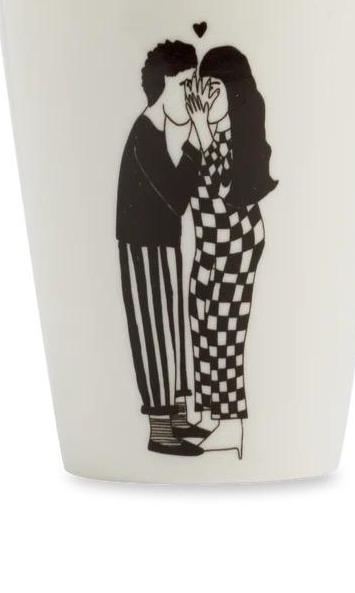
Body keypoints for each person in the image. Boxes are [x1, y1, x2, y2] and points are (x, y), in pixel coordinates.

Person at [116, 40, 211, 456]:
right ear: (163, 85)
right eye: (184, 85)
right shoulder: (144, 134)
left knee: (171, 326)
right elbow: (176, 197)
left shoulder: (155, 132)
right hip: (144, 248)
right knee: (155, 331)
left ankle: (176, 416)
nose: (190, 96)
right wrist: (196, 141)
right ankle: (160, 429)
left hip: (163, 244)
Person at [185, 46, 277, 458]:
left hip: (236, 244)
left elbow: (223, 184)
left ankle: (232, 423)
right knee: (200, 318)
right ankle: (208, 412)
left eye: (215, 89)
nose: (206, 99)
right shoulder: (207, 132)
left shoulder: (236, 137)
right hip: (209, 242)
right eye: (203, 88)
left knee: (224, 329)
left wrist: (202, 127)